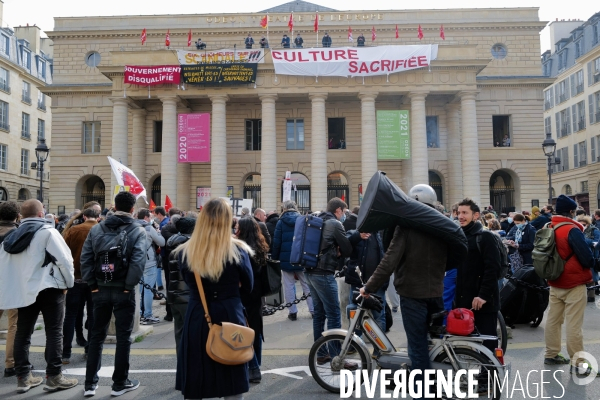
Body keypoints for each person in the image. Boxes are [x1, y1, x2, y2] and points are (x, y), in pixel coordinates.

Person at [360, 185, 448, 398]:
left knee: (417, 347)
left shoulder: (407, 225)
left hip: (413, 292)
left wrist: (369, 287)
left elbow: (389, 261)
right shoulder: (443, 223)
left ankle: (423, 391)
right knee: (431, 343)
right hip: (436, 291)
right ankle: (434, 385)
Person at [175, 198, 254, 399]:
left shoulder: (186, 251)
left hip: (198, 315)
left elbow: (188, 281)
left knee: (199, 373)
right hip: (230, 312)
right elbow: (249, 286)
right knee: (232, 372)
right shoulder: (238, 250)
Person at [0, 199, 77, 393]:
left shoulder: (12, 236)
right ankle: (54, 376)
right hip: (49, 287)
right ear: (41, 214)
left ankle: (23, 377)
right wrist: (68, 283)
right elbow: (65, 261)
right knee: (53, 331)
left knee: (23, 333)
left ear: (21, 216)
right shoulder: (48, 232)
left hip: (25, 289)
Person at [80, 191, 148, 397]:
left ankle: (90, 384)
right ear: (132, 209)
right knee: (124, 337)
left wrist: (92, 284)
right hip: (123, 289)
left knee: (96, 336)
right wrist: (128, 286)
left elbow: (86, 258)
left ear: (114, 206)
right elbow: (138, 262)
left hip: (100, 287)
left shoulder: (98, 228)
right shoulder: (138, 230)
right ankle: (119, 383)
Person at [543, 195, 597, 375]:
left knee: (553, 320)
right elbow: (586, 257)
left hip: (554, 279)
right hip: (573, 282)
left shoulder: (549, 226)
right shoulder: (571, 229)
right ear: (572, 211)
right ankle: (578, 362)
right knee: (574, 324)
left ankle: (551, 354)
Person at [304, 198, 353, 364]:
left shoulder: (317, 220)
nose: (344, 216)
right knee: (334, 315)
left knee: (319, 315)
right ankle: (336, 357)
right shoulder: (335, 224)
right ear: (338, 210)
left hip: (309, 271)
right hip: (324, 273)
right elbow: (347, 249)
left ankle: (321, 353)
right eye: (344, 212)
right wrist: (338, 250)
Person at [455, 198, 501, 354]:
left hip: (483, 301)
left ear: (475, 215)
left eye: (464, 213)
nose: (460, 216)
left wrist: (483, 295)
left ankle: (489, 376)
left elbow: (492, 268)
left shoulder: (485, 237)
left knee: (487, 344)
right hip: (465, 300)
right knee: (469, 344)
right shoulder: (460, 235)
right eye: (458, 212)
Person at [61, 207, 100, 364]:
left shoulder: (73, 230)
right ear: (98, 217)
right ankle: (89, 349)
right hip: (93, 279)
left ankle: (66, 353)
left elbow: (63, 253)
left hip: (75, 278)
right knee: (92, 315)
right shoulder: (100, 230)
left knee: (70, 315)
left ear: (84, 216)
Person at [236, 217, 269, 383]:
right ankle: (257, 362)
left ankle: (251, 366)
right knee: (256, 329)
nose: (236, 229)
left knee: (244, 329)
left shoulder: (241, 248)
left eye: (237, 227)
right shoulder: (260, 246)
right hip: (257, 294)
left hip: (244, 292)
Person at [271, 200, 314, 320]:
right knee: (307, 285)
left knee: (288, 285)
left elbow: (277, 242)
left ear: (284, 208)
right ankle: (313, 310)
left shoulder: (281, 222)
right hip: (302, 257)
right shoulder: (303, 219)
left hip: (286, 258)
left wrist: (275, 257)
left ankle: (293, 312)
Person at [166, 217, 196, 361]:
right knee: (193, 335)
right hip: (188, 295)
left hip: (174, 294)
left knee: (179, 334)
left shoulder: (172, 243)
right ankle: (189, 369)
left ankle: (181, 366)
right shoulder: (191, 247)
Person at [345, 229, 387, 334]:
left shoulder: (380, 234)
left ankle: (380, 349)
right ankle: (355, 344)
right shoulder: (355, 233)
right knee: (355, 314)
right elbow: (344, 244)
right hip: (358, 283)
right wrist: (358, 236)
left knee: (379, 316)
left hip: (376, 284)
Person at [0, 201, 20, 378]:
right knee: (13, 325)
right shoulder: (18, 234)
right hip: (12, 283)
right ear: (16, 216)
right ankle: (10, 364)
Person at [136, 208, 166, 324]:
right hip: (149, 262)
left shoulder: (132, 227)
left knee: (138, 290)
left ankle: (137, 315)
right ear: (146, 218)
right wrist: (157, 231)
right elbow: (162, 242)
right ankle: (147, 314)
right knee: (148, 290)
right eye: (150, 217)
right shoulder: (149, 228)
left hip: (135, 263)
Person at [577, 215, 600, 302]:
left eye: (583, 224)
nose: (582, 225)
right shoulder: (578, 230)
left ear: (587, 223)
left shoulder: (594, 230)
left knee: (592, 276)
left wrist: (584, 241)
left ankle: (591, 296)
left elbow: (597, 243)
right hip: (581, 255)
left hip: (592, 255)